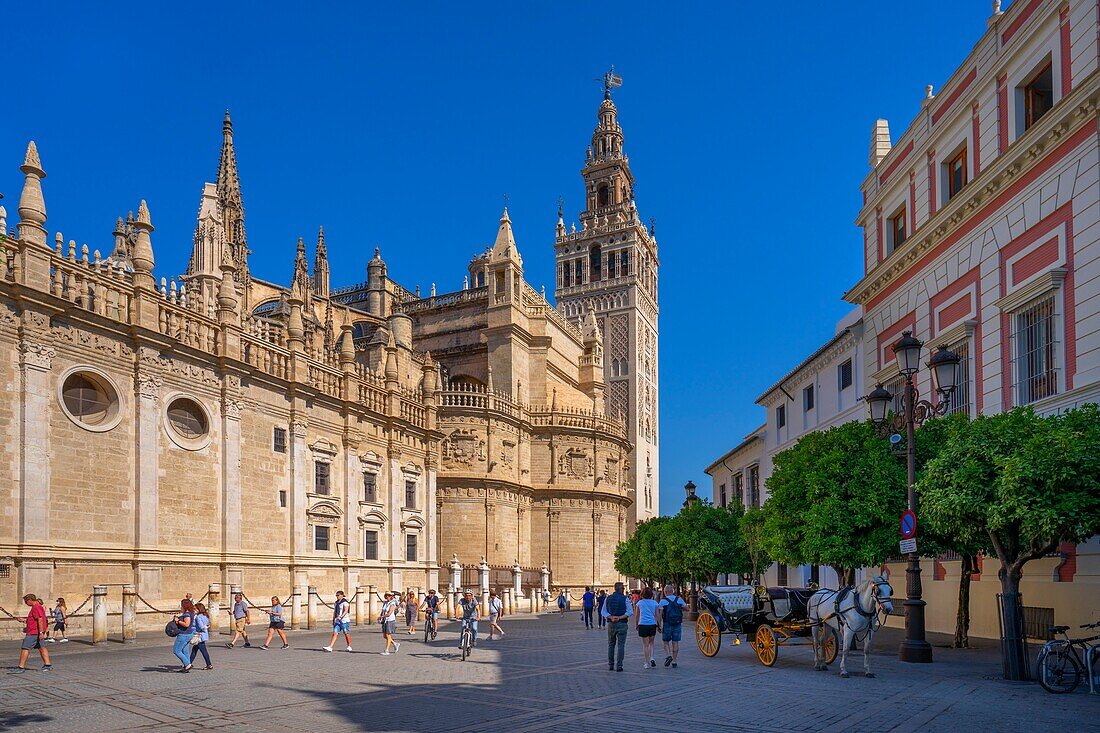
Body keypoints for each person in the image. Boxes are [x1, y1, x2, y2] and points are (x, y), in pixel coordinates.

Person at [14, 595, 51, 673]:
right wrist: (25, 620)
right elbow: (34, 620)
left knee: (25, 648)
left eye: (26, 601)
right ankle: (47, 665)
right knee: (41, 647)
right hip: (36, 631)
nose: (26, 603)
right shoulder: (37, 607)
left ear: (30, 600)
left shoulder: (36, 607)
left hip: (33, 632)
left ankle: (21, 667)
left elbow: (40, 620)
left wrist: (41, 632)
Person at [601, 582, 632, 672]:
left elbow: (604, 612)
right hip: (622, 623)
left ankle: (611, 664)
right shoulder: (625, 599)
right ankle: (619, 665)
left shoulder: (608, 598)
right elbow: (630, 612)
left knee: (611, 644)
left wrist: (611, 617)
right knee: (621, 645)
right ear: (621, 589)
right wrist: (619, 617)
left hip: (611, 624)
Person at [657, 584, 687, 668]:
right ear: (673, 591)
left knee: (665, 641)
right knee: (675, 642)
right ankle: (674, 661)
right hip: (677, 623)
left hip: (667, 623)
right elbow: (687, 608)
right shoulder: (679, 599)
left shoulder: (663, 601)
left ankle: (668, 655)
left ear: (665, 592)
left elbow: (659, 614)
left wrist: (658, 625)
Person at [635, 587, 659, 669]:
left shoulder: (639, 603)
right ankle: (652, 657)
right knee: (651, 643)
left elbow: (637, 615)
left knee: (645, 645)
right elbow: (657, 615)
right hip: (652, 624)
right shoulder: (655, 603)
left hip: (643, 624)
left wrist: (636, 625)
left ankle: (647, 663)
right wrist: (658, 624)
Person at [171, 599, 196, 672]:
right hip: (189, 634)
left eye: (181, 606)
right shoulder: (191, 613)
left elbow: (186, 624)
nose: (180, 607)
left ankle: (187, 664)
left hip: (183, 635)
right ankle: (186, 667)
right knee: (185, 651)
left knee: (176, 650)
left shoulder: (187, 614)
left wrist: (178, 621)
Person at [189, 603, 213, 670]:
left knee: (203, 651)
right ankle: (188, 664)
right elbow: (207, 624)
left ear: (199, 609)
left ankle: (209, 664)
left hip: (199, 636)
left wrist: (205, 627)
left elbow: (202, 626)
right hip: (203, 635)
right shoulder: (205, 615)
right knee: (194, 650)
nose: (194, 610)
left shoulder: (198, 617)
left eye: (195, 609)